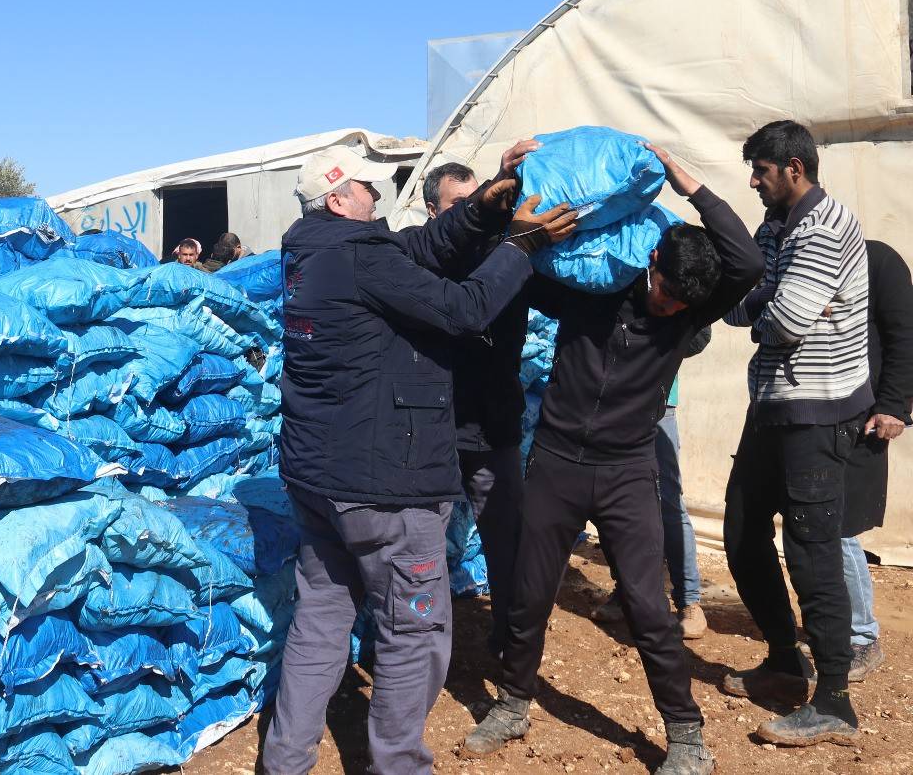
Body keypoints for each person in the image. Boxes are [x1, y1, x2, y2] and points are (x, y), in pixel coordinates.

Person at [261, 139, 577, 775]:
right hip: (385, 485)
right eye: (368, 188)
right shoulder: (355, 255)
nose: (379, 196)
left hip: (320, 479)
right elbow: (465, 309)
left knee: (321, 620)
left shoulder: (314, 250)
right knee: (414, 631)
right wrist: (520, 247)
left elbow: (421, 249)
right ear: (337, 198)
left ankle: (285, 762)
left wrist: (488, 202)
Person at [464, 144, 762, 775]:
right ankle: (514, 702)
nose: (670, 305)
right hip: (556, 462)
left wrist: (689, 182)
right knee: (529, 593)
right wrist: (505, 176)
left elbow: (748, 259)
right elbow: (515, 248)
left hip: (628, 471)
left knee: (649, 608)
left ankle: (684, 734)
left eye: (684, 302)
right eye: (665, 289)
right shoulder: (592, 285)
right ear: (650, 260)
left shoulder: (685, 313)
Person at [721, 120, 871, 746]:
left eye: (760, 170)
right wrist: (765, 301)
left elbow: (781, 322)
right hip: (773, 405)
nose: (753, 181)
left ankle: (834, 700)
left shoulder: (825, 226)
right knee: (742, 530)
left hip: (817, 413)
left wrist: (766, 302)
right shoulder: (777, 227)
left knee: (812, 551)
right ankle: (786, 660)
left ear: (793, 168)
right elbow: (738, 301)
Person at [423, 160, 527, 658]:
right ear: (433, 210)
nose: (473, 213)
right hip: (429, 434)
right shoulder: (415, 261)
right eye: (460, 206)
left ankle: (510, 642)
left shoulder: (504, 255)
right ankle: (417, 652)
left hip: (492, 426)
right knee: (419, 553)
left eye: (478, 201)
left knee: (506, 546)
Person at [591, 360, 711, 641]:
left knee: (667, 499)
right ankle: (625, 591)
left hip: (658, 399)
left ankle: (689, 601)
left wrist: (665, 338)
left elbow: (700, 334)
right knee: (615, 498)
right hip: (613, 400)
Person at [839, 239, 912, 681]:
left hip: (865, 417)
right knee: (821, 524)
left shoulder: (878, 260)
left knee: (839, 525)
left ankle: (861, 637)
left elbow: (905, 337)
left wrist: (893, 406)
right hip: (822, 413)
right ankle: (840, 628)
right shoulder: (803, 262)